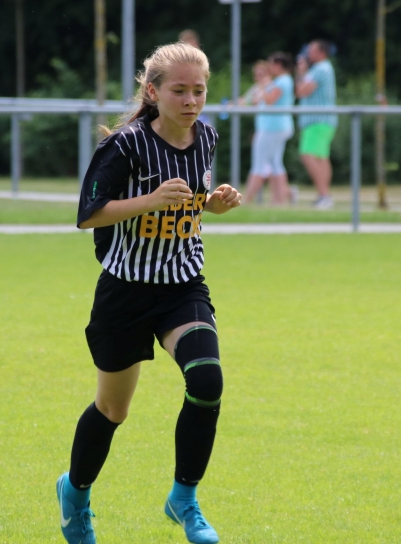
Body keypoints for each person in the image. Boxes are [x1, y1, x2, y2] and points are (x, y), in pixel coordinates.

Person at [59, 42, 242, 544]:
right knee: (112, 411)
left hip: (183, 287)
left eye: (199, 90)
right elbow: (88, 214)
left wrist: (212, 204)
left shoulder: (207, 137)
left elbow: (190, 205)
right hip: (125, 293)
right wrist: (149, 200)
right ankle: (75, 495)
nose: (191, 100)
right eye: (179, 90)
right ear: (153, 91)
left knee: (206, 381)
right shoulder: (125, 145)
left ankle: (184, 498)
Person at [243, 52, 295, 205]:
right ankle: (279, 199)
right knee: (275, 164)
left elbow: (270, 100)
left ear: (278, 65)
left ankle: (247, 200)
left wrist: (264, 86)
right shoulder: (283, 81)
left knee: (259, 164)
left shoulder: (282, 81)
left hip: (272, 128)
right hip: (275, 127)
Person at [295, 39, 337, 209]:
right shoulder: (324, 68)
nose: (308, 53)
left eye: (312, 50)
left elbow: (301, 91)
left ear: (321, 53)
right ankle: (324, 195)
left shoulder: (320, 69)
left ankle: (324, 195)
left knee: (308, 155)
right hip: (323, 121)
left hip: (317, 121)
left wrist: (300, 73)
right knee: (321, 158)